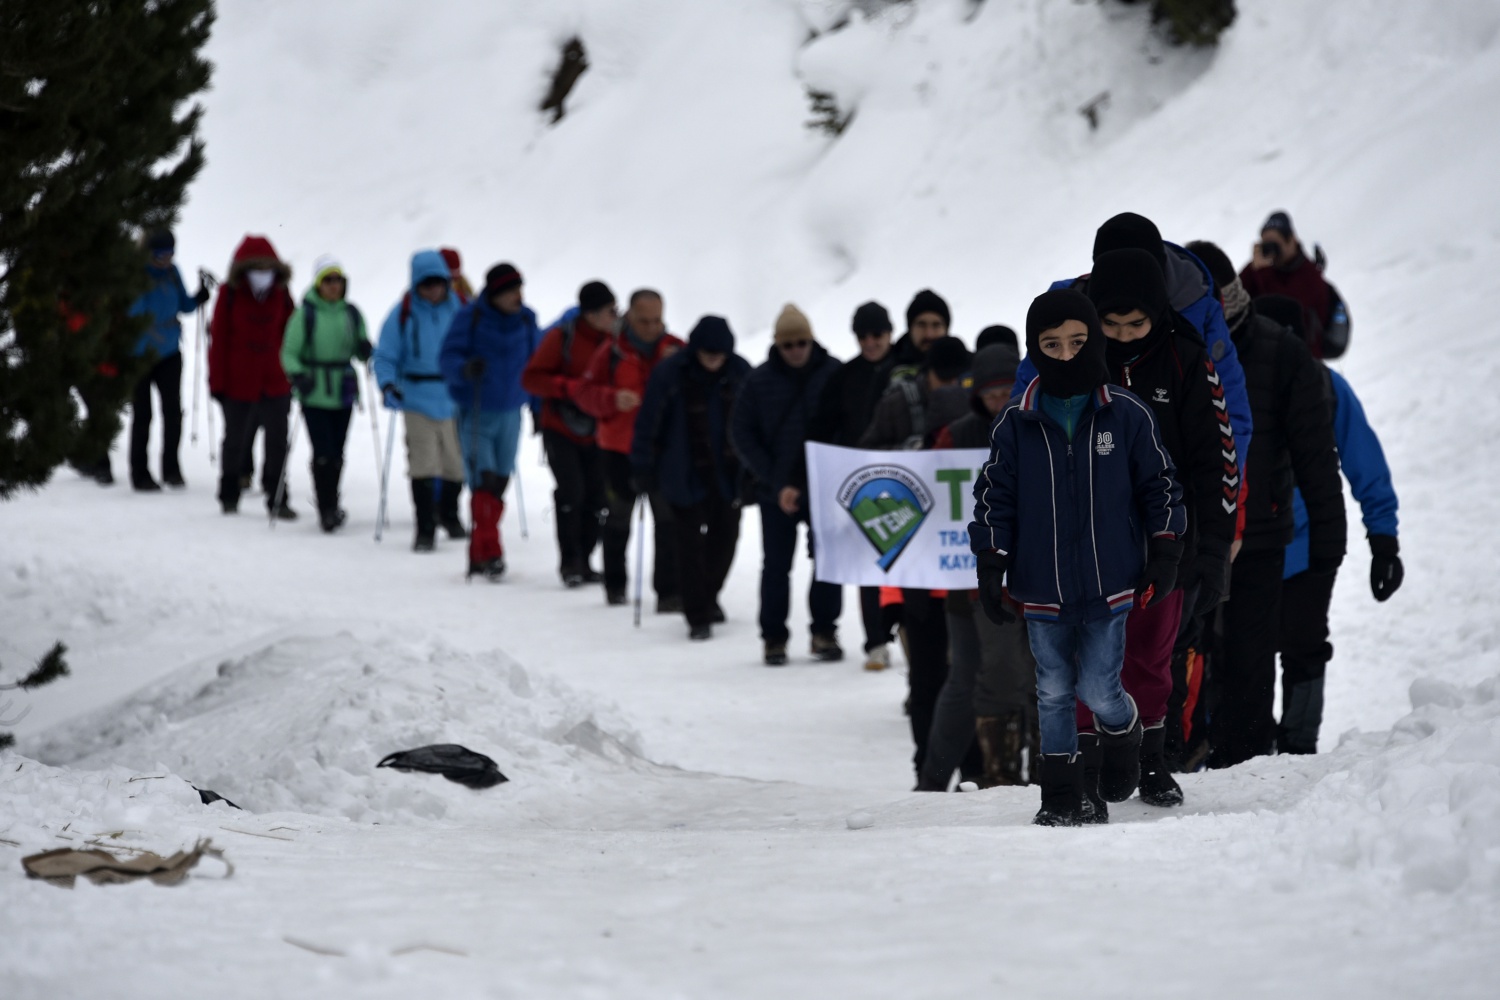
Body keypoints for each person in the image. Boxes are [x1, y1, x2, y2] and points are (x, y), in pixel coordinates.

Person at [970, 289, 1186, 826]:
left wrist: (1164, 548)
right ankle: (1063, 793)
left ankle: (1124, 727)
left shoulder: (1126, 414)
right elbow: (994, 497)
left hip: (1108, 579)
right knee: (1053, 689)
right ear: (1035, 349)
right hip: (1041, 584)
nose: (1065, 355)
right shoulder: (1015, 424)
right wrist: (992, 560)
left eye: (1076, 342)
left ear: (1093, 340)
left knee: (1096, 686)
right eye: (1051, 345)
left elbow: (1160, 486)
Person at [1068, 249, 1238, 818]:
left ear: (1157, 313)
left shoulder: (1186, 358)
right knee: (1089, 657)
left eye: (1135, 324)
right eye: (1109, 326)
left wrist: (1211, 553)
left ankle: (1151, 759)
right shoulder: (1071, 361)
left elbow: (1217, 461)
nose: (1121, 336)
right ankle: (1089, 765)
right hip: (1086, 541)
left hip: (1167, 540)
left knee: (1152, 654)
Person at [1185, 244, 1346, 768]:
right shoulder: (1167, 349)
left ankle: (1244, 762)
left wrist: (1328, 538)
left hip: (1258, 533)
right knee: (1183, 652)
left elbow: (1315, 455)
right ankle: (1178, 754)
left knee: (1250, 660)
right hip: (1185, 536)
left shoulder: (1281, 353)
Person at [1255, 294, 1403, 756]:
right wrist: (1383, 539)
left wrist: (1384, 540)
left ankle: (1284, 749)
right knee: (1290, 648)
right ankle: (1271, 745)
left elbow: (1364, 464)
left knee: (1277, 648)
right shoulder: (1318, 383)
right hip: (1271, 546)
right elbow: (1367, 465)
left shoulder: (1324, 386)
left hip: (1295, 546)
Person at [1015, 213, 1253, 475]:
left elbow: (1230, 411)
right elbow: (1027, 397)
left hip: (1180, 485)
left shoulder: (1196, 307)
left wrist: (1221, 489)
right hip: (1091, 483)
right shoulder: (1067, 307)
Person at [859, 336, 973, 783]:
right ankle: (939, 769)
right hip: (926, 582)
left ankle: (946, 770)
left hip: (951, 582)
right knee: (936, 681)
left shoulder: (983, 429)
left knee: (951, 681)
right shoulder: (903, 418)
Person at [927, 342, 1037, 789]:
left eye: (1004, 391)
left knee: (1040, 675)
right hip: (978, 582)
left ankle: (1047, 772)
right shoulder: (956, 435)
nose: (998, 401)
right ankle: (1000, 777)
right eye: (990, 394)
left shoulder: (1037, 424)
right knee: (1000, 675)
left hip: (1035, 575)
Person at [730, 304, 842, 666]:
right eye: (788, 344)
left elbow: (848, 424)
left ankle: (824, 631)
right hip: (774, 491)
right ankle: (774, 637)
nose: (795, 350)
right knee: (776, 566)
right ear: (777, 345)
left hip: (824, 486)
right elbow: (741, 433)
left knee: (827, 563)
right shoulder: (758, 381)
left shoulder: (834, 374)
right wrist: (776, 481)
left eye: (801, 342)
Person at [632, 316, 750, 640]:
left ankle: (708, 595)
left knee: (725, 540)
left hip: (727, 476)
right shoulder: (671, 374)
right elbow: (649, 422)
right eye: (708, 352)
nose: (714, 359)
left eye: (720, 353)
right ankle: (697, 613)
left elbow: (755, 424)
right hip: (682, 473)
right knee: (688, 545)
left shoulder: (740, 374)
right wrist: (642, 466)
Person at [575, 289, 685, 609]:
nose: (652, 327)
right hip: (618, 449)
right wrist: (612, 399)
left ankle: (668, 592)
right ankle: (615, 586)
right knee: (618, 517)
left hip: (663, 451)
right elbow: (584, 392)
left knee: (667, 520)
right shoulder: (610, 351)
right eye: (644, 321)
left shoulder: (677, 349)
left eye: (657, 320)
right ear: (630, 317)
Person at [808, 300, 901, 670]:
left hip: (906, 476)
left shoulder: (904, 370)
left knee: (908, 562)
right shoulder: (845, 376)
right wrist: (821, 471)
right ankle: (876, 642)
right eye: (863, 335)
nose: (870, 341)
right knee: (870, 563)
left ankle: (907, 637)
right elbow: (821, 426)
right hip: (860, 480)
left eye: (877, 334)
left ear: (889, 333)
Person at [440, 263, 540, 581]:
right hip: (476, 411)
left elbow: (537, 365)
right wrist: (465, 369)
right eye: (511, 290)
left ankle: (480, 551)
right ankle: (491, 551)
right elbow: (447, 357)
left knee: (498, 483)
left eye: (519, 289)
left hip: (511, 413)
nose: (517, 296)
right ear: (495, 293)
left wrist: (539, 407)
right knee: (482, 481)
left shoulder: (527, 320)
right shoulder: (470, 318)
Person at [522, 281, 614, 590]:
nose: (614, 316)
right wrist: (569, 389)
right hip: (560, 427)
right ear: (590, 313)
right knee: (572, 492)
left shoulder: (615, 341)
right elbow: (532, 378)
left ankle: (585, 560)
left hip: (599, 428)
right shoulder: (561, 338)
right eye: (608, 311)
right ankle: (571, 562)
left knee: (598, 496)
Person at [374, 250, 468, 551]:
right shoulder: (402, 313)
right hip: (415, 397)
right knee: (423, 464)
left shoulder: (462, 309)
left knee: (456, 465)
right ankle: (425, 528)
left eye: (438, 282)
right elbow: (386, 354)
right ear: (416, 283)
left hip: (454, 397)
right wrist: (388, 385)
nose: (433, 289)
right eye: (426, 284)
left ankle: (450, 516)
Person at [280, 256, 372, 532]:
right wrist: (297, 375)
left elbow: (359, 347)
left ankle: (331, 503)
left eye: (338, 281)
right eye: (328, 281)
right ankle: (327, 507)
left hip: (342, 389)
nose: (334, 286)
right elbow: (289, 351)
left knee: (337, 451)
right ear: (318, 284)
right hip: (315, 392)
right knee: (324, 451)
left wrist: (365, 348)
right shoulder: (304, 314)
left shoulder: (351, 314)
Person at [208, 235, 297, 519]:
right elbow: (219, 339)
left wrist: (293, 374)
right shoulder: (229, 293)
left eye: (266, 265)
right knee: (235, 440)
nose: (262, 270)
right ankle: (229, 493)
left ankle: (278, 497)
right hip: (238, 380)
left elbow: (292, 335)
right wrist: (217, 382)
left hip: (275, 379)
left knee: (278, 442)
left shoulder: (282, 294)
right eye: (254, 265)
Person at [125, 229, 209, 491]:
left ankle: (171, 469)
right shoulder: (135, 276)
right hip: (138, 354)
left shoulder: (173, 272)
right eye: (160, 254)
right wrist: (141, 285)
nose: (166, 259)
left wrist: (198, 299)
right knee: (143, 415)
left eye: (171, 253)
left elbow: (183, 305)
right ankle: (140, 474)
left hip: (170, 352)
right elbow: (131, 310)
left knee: (172, 412)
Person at [1238, 211, 1336, 353]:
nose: (1271, 250)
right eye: (1265, 244)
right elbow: (1235, 295)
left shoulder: (1310, 275)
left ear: (1292, 241)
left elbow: (1285, 311)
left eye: (1275, 244)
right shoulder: (1263, 267)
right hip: (1266, 351)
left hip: (1303, 357)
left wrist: (1262, 272)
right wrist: (1252, 268)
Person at [888, 289, 951, 381]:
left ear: (946, 329)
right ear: (910, 328)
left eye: (936, 325)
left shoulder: (967, 365)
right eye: (921, 325)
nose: (929, 334)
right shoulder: (888, 371)